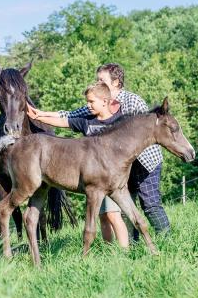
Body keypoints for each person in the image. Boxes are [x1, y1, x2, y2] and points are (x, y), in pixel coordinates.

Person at [59, 63, 171, 240]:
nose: (97, 82)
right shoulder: (101, 100)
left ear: (116, 82)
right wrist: (39, 114)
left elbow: (148, 130)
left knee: (150, 204)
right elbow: (71, 115)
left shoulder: (133, 101)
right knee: (127, 207)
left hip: (145, 161)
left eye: (101, 79)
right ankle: (134, 247)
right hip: (121, 164)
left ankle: (167, 241)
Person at [27, 82, 129, 248]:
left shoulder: (119, 122)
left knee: (113, 214)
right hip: (95, 180)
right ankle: (109, 251)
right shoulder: (86, 122)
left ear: (105, 101)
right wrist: (38, 117)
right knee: (103, 216)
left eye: (91, 102)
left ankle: (125, 251)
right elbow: (63, 121)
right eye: (87, 102)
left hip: (111, 178)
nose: (88, 106)